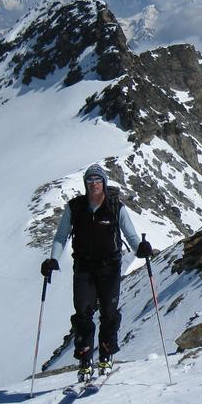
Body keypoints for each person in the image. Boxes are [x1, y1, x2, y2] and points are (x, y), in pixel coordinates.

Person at [41, 164, 153, 382]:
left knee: (109, 313)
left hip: (110, 267)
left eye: (98, 180)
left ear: (104, 183)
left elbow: (130, 235)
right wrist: (53, 259)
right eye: (90, 180)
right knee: (83, 313)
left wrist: (140, 248)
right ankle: (85, 358)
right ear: (85, 184)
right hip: (83, 267)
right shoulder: (75, 208)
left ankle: (106, 354)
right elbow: (60, 236)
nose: (94, 184)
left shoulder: (115, 207)